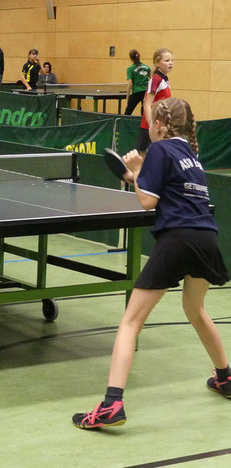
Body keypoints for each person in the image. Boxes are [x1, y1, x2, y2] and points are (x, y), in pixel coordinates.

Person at [72, 97, 230, 430]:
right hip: (207, 238)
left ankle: (111, 404)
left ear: (159, 124)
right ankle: (226, 377)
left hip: (178, 240)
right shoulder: (192, 157)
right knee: (196, 310)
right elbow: (165, 191)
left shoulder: (159, 150)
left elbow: (147, 201)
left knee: (130, 322)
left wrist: (139, 170)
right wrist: (137, 175)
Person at [135, 48, 173, 154]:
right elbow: (147, 104)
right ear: (157, 63)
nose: (170, 63)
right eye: (167, 60)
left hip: (161, 125)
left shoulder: (164, 79)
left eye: (172, 60)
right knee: (141, 156)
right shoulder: (156, 79)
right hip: (150, 127)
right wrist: (151, 125)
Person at [125, 49, 151, 116]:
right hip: (146, 92)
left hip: (136, 92)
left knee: (127, 113)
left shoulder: (130, 69)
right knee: (144, 113)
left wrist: (127, 97)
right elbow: (151, 80)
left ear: (131, 58)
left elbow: (130, 84)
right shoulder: (147, 67)